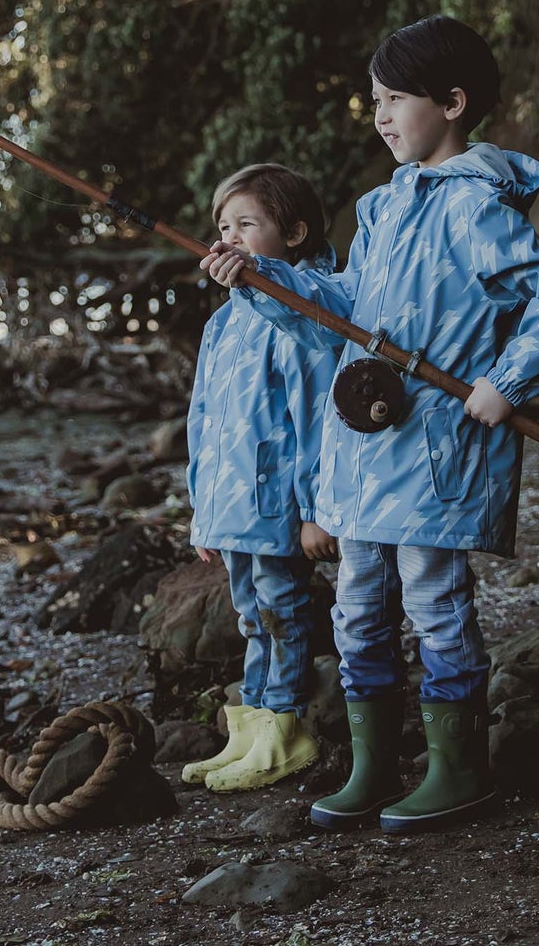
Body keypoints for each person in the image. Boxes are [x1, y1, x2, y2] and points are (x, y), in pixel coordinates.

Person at [201, 16, 539, 831]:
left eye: (394, 98)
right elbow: (343, 315)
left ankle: (460, 770)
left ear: (451, 103)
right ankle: (372, 766)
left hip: (438, 450)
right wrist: (262, 279)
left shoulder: (474, 207)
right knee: (356, 607)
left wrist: (504, 381)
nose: (379, 115)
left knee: (434, 601)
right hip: (361, 456)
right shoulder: (380, 211)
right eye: (373, 100)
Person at [180, 164, 342, 792]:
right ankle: (245, 731)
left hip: (279, 502)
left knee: (282, 611)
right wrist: (204, 509)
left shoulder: (300, 310)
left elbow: (312, 417)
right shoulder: (223, 323)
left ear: (294, 232)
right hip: (235, 506)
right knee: (250, 615)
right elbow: (205, 422)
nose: (230, 237)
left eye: (248, 224)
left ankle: (285, 730)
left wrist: (313, 508)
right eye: (223, 226)